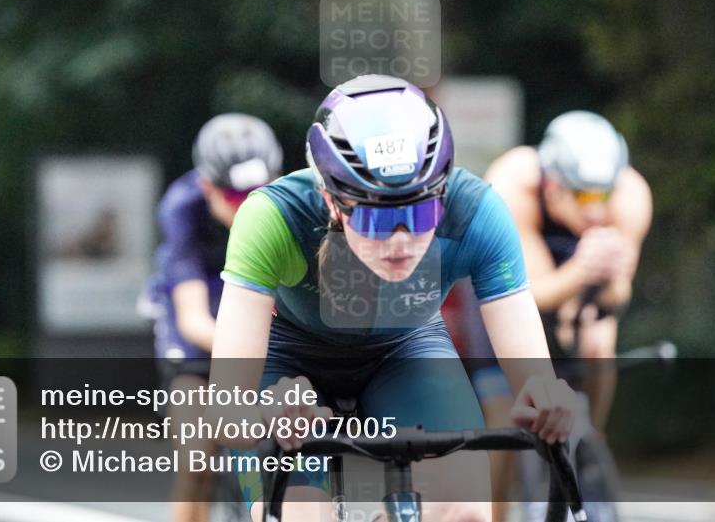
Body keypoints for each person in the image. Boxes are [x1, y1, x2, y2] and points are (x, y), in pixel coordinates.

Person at [208, 75, 576, 522]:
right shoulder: (273, 217)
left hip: (406, 349)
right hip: (290, 361)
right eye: (377, 220)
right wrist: (266, 414)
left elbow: (534, 381)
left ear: (443, 192)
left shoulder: (477, 212)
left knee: (463, 512)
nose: (401, 241)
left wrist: (545, 396)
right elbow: (225, 414)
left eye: (421, 211)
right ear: (331, 201)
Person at [473, 111, 652, 522]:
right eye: (583, 198)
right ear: (552, 187)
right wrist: (581, 270)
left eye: (603, 197)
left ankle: (592, 435)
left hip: (578, 276)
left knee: (598, 344)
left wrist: (590, 299)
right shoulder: (513, 182)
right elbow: (529, 295)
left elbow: (618, 294)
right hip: (505, 286)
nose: (596, 212)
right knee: (503, 420)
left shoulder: (631, 194)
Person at [147, 113, 283, 522]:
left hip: (257, 321)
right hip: (200, 330)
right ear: (208, 187)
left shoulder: (289, 201)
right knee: (196, 458)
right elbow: (192, 320)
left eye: (258, 192)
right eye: (236, 197)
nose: (249, 206)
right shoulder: (182, 209)